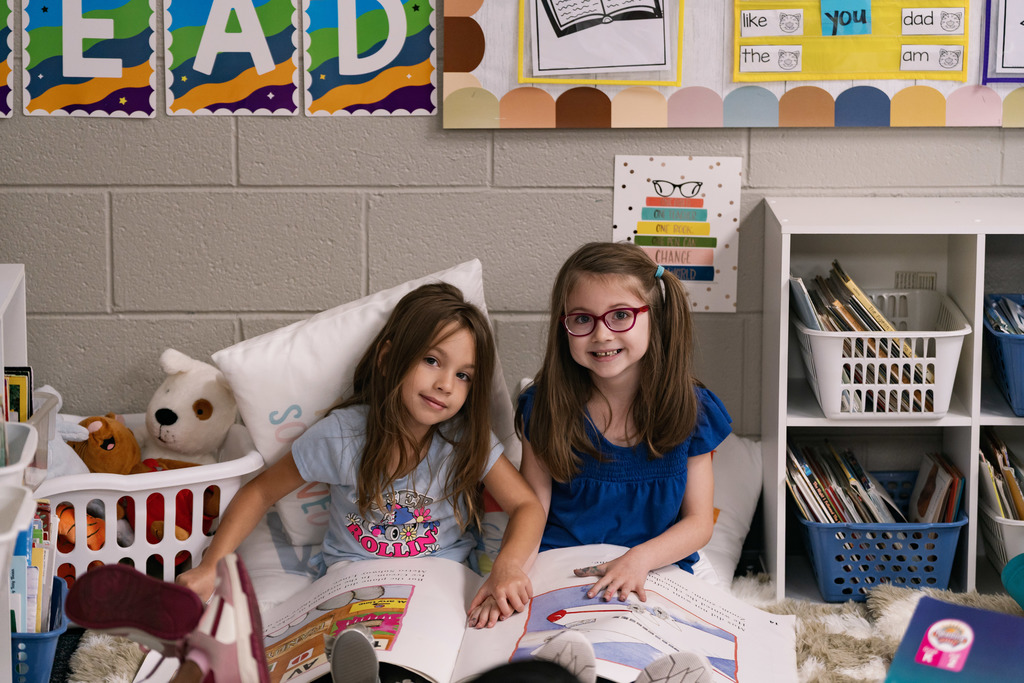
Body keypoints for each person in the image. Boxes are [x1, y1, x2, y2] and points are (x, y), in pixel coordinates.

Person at [70, 282, 546, 683]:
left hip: (441, 582)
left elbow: (525, 505)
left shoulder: (465, 440)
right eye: (432, 360)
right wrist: (213, 565)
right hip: (357, 580)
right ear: (388, 358)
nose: (446, 384)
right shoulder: (344, 436)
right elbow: (259, 492)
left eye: (464, 375)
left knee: (461, 653)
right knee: (349, 657)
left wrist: (507, 567)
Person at [516, 241, 732, 683]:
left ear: (654, 316)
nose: (601, 334)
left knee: (672, 647)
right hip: (569, 563)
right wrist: (508, 569)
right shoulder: (544, 407)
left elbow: (697, 524)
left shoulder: (691, 409)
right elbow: (531, 510)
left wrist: (639, 560)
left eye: (620, 315)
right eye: (582, 319)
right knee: (564, 645)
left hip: (657, 563)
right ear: (564, 327)